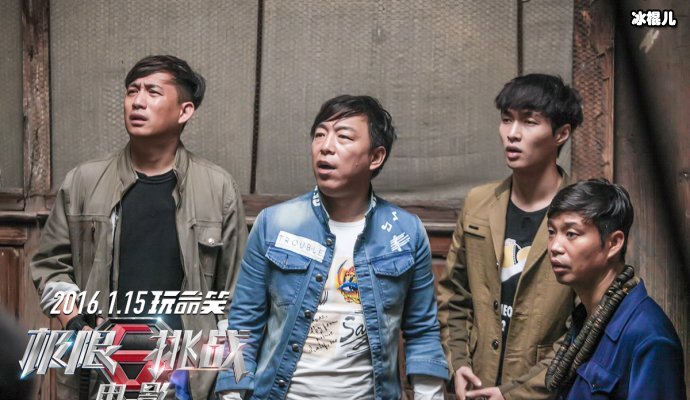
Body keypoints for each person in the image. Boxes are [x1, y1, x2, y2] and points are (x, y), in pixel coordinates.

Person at [30, 55, 247, 399]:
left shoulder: (219, 188)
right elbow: (49, 266)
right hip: (101, 373)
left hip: (185, 377)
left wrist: (228, 383)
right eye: (132, 91)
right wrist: (74, 322)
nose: (138, 101)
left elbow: (235, 295)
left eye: (153, 92)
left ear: (184, 111)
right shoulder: (83, 181)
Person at [215, 95, 449, 399]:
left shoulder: (406, 232)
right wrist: (231, 395)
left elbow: (422, 331)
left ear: (375, 157)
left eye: (343, 137)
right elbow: (241, 322)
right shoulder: (274, 223)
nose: (325, 146)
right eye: (319, 134)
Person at [437, 74, 583, 399]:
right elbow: (453, 295)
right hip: (476, 385)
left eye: (529, 122)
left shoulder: (583, 218)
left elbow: (584, 327)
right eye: (506, 120)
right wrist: (457, 363)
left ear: (561, 134)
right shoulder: (478, 203)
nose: (512, 134)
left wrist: (516, 393)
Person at [545, 179, 686, 399]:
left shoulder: (649, 338)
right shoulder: (586, 318)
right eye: (551, 232)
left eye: (571, 234)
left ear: (613, 243)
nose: (555, 246)